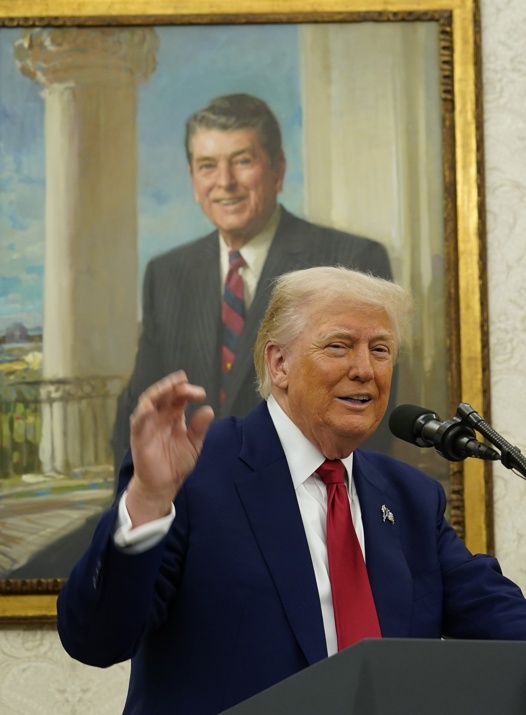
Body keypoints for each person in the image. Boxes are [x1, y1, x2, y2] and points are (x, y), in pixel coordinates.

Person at [58, 266, 526, 715]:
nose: (365, 369)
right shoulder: (196, 469)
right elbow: (95, 637)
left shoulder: (411, 499)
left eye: (381, 350)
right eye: (339, 345)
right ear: (279, 363)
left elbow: (510, 628)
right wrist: (148, 501)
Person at [111, 92, 394, 461]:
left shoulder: (350, 259)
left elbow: (366, 414)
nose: (224, 182)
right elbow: (140, 409)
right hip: (188, 501)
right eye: (207, 165)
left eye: (242, 161)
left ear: (278, 170)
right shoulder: (167, 274)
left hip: (302, 504)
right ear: (193, 178)